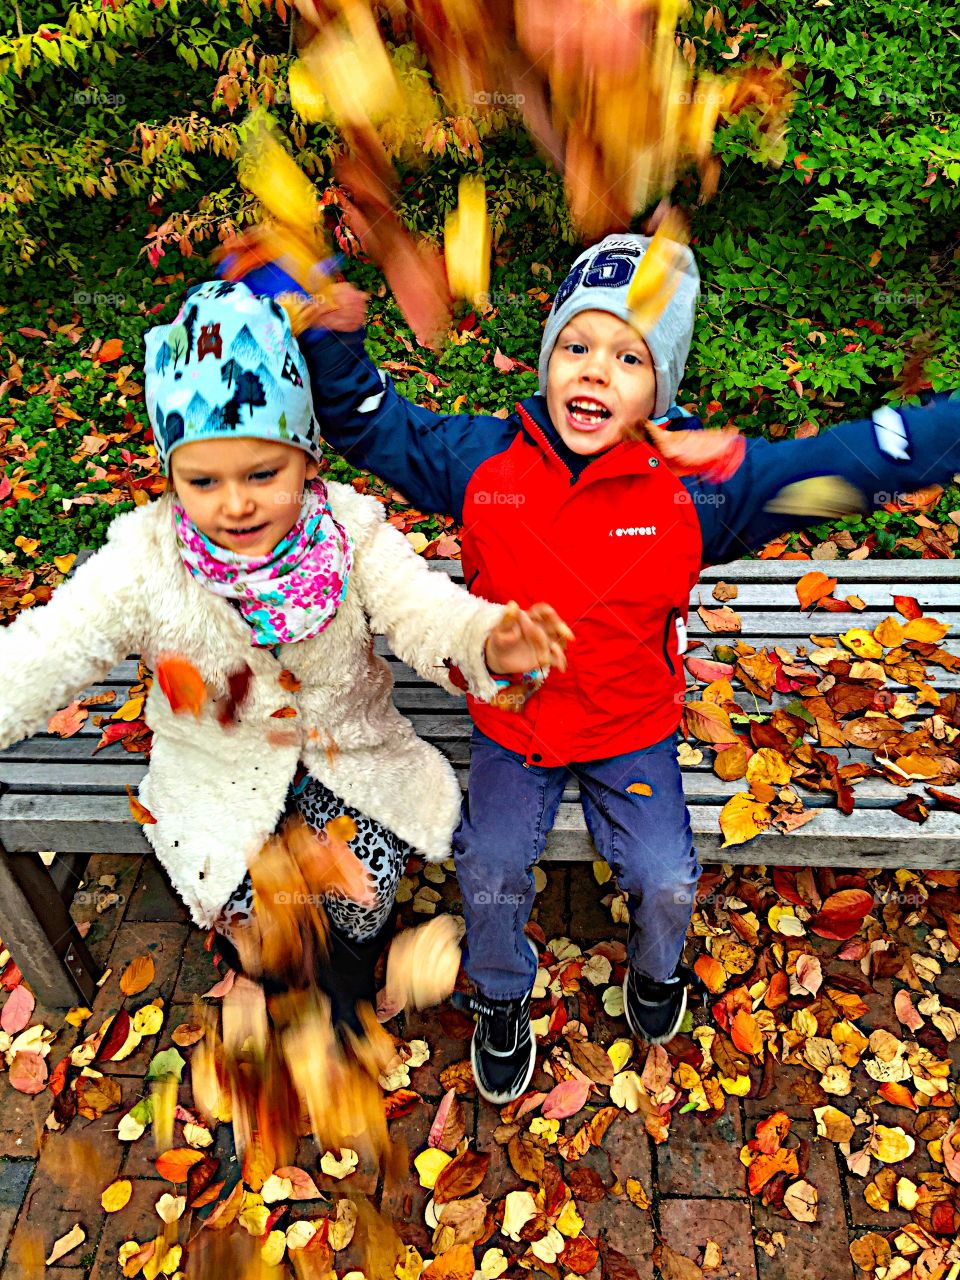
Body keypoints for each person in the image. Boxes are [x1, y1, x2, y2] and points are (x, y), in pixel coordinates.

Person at [231, 238, 960, 1101]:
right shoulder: (481, 462)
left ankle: (655, 976)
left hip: (629, 726)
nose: (595, 373)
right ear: (547, 359)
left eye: (628, 356)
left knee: (667, 878)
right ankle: (502, 996)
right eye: (575, 347)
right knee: (490, 869)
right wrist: (326, 333)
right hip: (518, 726)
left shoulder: (703, 489)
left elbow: (847, 464)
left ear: (662, 384)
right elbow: (373, 427)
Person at [0, 278, 571, 1027]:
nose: (235, 503)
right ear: (172, 474)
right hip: (221, 765)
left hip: (348, 751)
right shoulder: (146, 561)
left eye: (262, 474)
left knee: (359, 886)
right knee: (250, 898)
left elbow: (423, 610)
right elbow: (56, 643)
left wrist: (485, 640)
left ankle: (352, 982)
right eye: (203, 480)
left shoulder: (351, 532)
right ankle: (263, 973)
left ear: (305, 459)